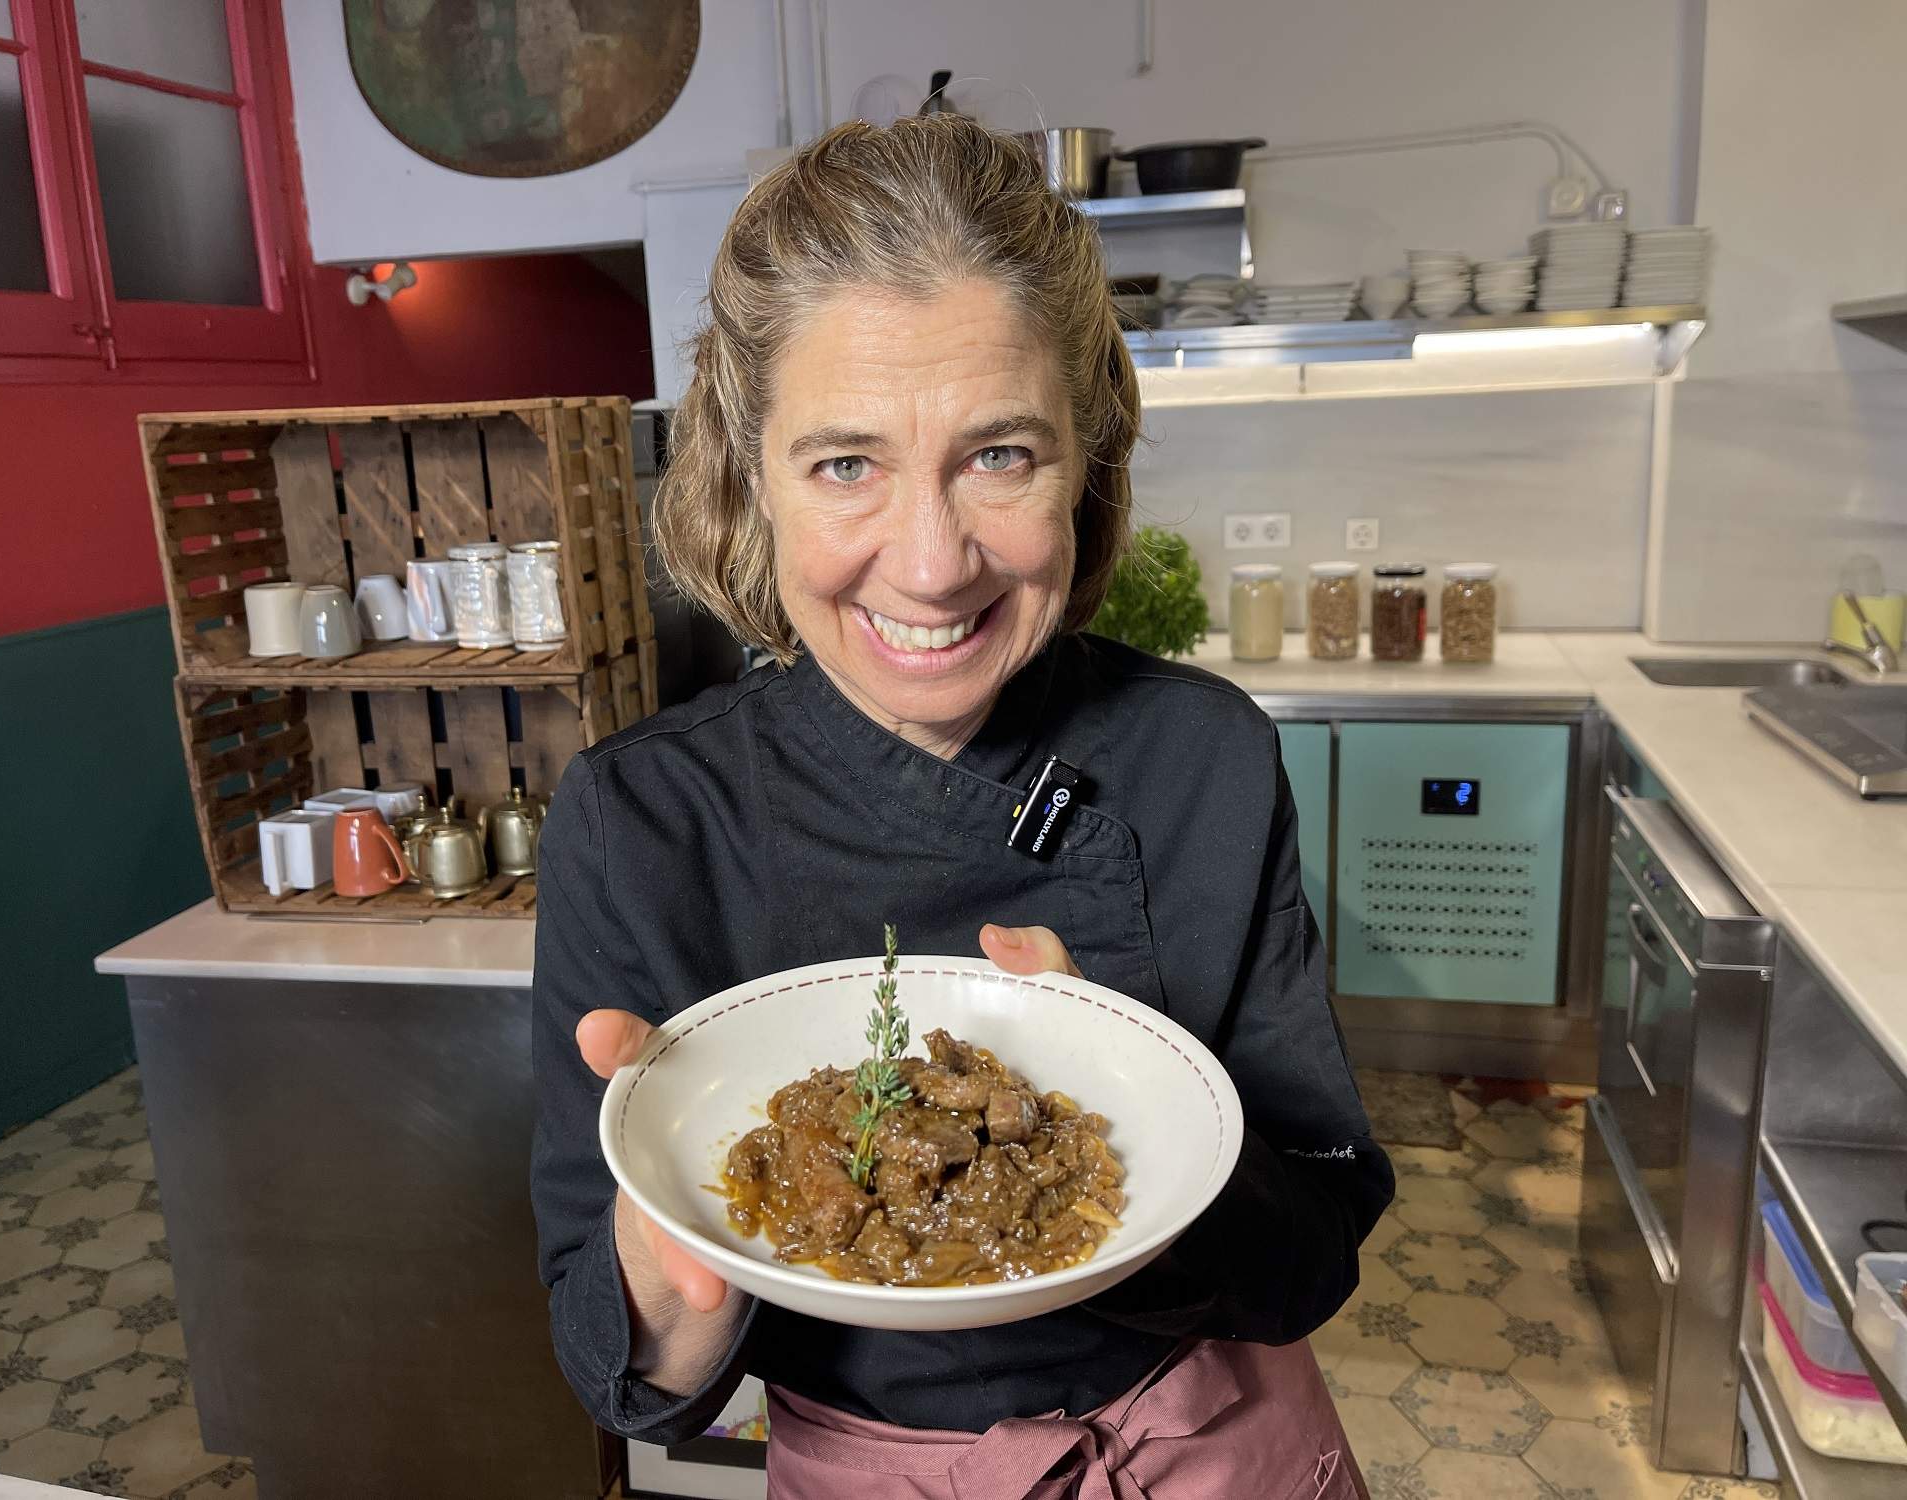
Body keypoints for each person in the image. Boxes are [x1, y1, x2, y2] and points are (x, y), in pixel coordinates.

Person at [530, 114, 1392, 1498]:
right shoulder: (645, 821)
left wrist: (1135, 1108)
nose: (932, 567)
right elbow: (621, 1372)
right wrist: (678, 1279)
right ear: (748, 472)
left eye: (1000, 455)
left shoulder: (1204, 757)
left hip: (1225, 1447)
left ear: (1086, 458)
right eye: (845, 463)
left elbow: (1314, 1256)